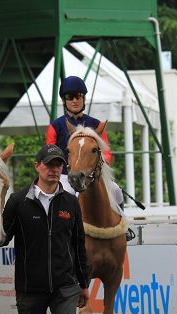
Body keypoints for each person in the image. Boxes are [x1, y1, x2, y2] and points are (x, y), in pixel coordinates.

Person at [2, 144, 89, 314]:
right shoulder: (18, 201)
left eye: (58, 165)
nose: (54, 169)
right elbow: (2, 236)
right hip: (30, 286)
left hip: (65, 285)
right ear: (37, 166)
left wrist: (84, 283)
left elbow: (79, 245)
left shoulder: (70, 202)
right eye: (49, 164)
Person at [46, 76, 134, 241]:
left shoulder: (96, 124)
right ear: (64, 100)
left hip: (92, 175)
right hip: (66, 174)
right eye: (69, 97)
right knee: (67, 194)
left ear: (83, 98)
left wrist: (99, 164)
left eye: (78, 96)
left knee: (116, 190)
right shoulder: (55, 126)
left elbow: (107, 153)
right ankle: (58, 233)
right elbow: (50, 153)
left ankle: (123, 226)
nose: (74, 100)